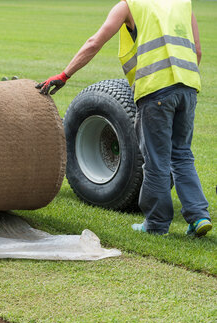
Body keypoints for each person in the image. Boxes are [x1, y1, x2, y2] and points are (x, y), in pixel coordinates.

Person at [37, 0, 212, 237]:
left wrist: (64, 75)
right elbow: (197, 51)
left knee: (156, 161)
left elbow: (94, 43)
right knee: (181, 155)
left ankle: (157, 225)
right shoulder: (182, 3)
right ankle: (199, 216)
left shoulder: (129, 6)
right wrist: (181, 85)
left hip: (156, 92)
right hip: (188, 89)